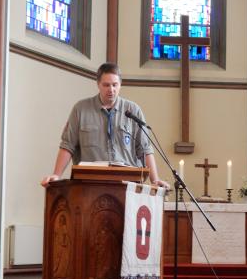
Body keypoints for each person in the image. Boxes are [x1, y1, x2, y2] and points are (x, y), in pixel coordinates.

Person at [41, 62, 169, 188]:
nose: (111, 90)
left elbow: (145, 149)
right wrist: (56, 175)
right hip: (90, 183)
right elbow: (67, 145)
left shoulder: (133, 110)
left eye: (115, 85)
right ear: (98, 84)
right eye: (106, 85)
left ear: (120, 85)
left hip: (127, 183)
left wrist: (155, 180)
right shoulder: (80, 109)